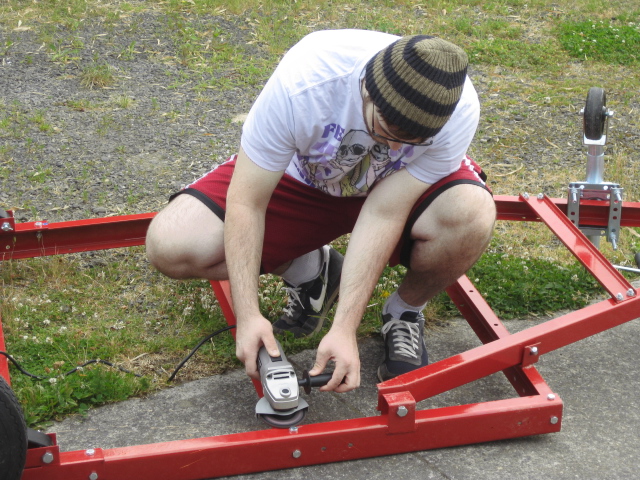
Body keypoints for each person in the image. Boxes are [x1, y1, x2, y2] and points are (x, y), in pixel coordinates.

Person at [145, 29, 496, 393]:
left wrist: (346, 328)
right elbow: (247, 202)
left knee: (471, 214)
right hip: (305, 179)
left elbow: (384, 213)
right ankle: (315, 271)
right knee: (171, 243)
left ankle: (405, 311)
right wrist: (248, 315)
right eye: (386, 128)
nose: (393, 145)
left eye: (411, 141)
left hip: (391, 189)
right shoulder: (307, 81)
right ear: (366, 88)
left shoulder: (459, 109)